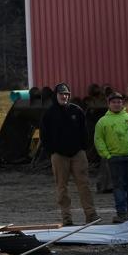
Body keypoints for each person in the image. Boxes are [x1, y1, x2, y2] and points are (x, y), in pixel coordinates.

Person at [40, 82, 96, 226]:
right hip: (59, 155)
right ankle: (67, 218)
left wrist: (83, 149)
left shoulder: (77, 111)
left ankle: (91, 215)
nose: (64, 96)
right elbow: (44, 136)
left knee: (84, 185)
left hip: (78, 154)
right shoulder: (49, 114)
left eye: (66, 94)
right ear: (56, 95)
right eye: (61, 94)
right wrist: (52, 151)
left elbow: (85, 132)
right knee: (62, 187)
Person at [94, 92, 128, 223]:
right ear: (109, 104)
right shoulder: (103, 122)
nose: (117, 104)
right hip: (115, 159)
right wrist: (107, 155)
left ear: (122, 104)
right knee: (119, 187)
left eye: (119, 102)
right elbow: (99, 140)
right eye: (114, 102)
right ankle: (121, 214)